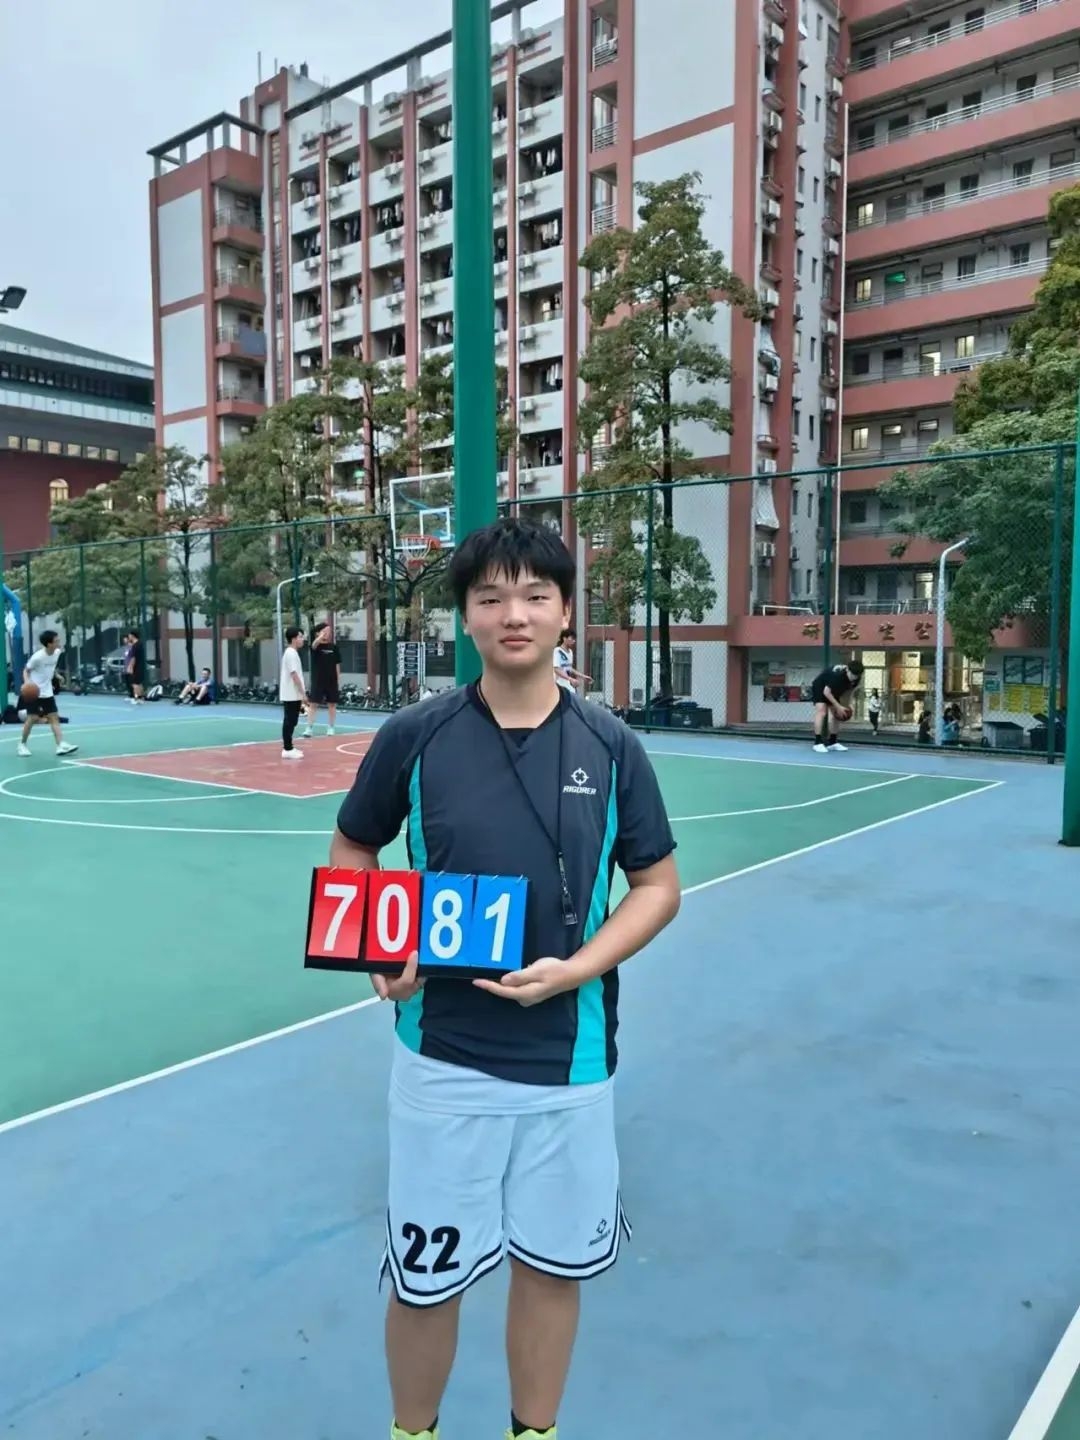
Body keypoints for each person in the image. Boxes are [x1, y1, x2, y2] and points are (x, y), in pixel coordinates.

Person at [330, 517, 681, 1440]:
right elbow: (355, 848)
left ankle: (534, 1434)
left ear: (566, 612)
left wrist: (579, 969)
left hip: (571, 1066)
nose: (512, 614)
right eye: (491, 597)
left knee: (552, 1270)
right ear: (466, 617)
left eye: (534, 595)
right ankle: (414, 1433)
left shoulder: (612, 746)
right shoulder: (415, 735)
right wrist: (380, 948)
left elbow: (657, 887)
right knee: (425, 1278)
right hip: (442, 1064)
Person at [16, 631, 79, 758]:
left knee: (54, 717)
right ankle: (22, 744)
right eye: (56, 640)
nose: (59, 642)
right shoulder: (37, 657)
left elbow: (50, 667)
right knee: (32, 718)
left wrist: (57, 675)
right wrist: (28, 683)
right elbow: (26, 670)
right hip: (35, 692)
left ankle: (60, 745)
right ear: (49, 644)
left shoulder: (57, 652)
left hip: (47, 691)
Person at [810, 659, 864, 753]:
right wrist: (838, 706)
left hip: (834, 689)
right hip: (820, 686)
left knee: (837, 714)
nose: (854, 677)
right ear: (847, 669)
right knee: (822, 711)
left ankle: (832, 742)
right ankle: (817, 743)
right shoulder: (837, 676)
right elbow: (826, 692)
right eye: (852, 674)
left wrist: (848, 704)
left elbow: (850, 691)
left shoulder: (857, 678)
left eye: (856, 675)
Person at [301, 621, 341, 737]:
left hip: (331, 681)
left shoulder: (334, 647)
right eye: (325, 631)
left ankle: (331, 727)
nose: (327, 633)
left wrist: (337, 679)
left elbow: (337, 664)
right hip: (318, 680)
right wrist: (320, 637)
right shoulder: (315, 646)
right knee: (313, 704)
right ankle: (309, 728)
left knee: (332, 705)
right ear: (318, 633)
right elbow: (314, 645)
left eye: (329, 631)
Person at [279, 627, 307, 759]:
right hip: (291, 693)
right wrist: (303, 692)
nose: (302, 639)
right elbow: (294, 674)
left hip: (293, 694)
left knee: (292, 720)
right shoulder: (290, 653)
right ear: (294, 639)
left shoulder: (293, 653)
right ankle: (287, 748)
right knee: (290, 721)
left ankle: (289, 747)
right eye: (300, 637)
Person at [553, 627, 590, 693]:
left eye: (574, 639)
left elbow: (569, 668)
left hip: (567, 684)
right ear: (564, 638)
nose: (574, 641)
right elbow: (556, 669)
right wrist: (570, 679)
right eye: (572, 638)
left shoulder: (570, 652)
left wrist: (583, 676)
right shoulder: (557, 651)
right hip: (558, 683)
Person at [124, 628, 147, 705]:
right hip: (140, 666)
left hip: (137, 667)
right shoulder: (140, 644)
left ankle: (136, 698)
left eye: (129, 635)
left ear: (133, 636)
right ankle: (141, 698)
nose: (129, 637)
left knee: (134, 684)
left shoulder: (135, 645)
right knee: (139, 683)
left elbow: (133, 658)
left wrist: (130, 667)